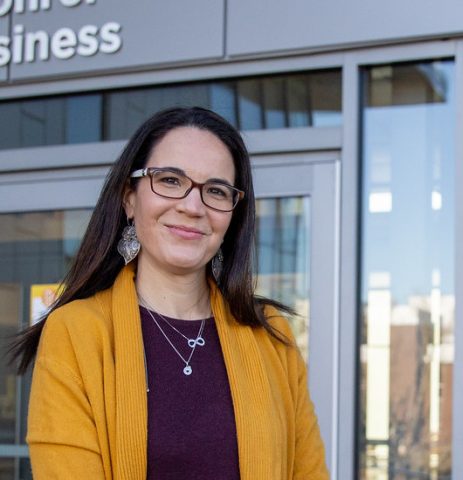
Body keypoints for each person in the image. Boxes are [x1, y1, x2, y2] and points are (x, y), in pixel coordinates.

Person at [10, 106, 329, 479]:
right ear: (130, 198)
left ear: (233, 215)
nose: (193, 206)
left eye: (216, 190)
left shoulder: (271, 334)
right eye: (170, 181)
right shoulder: (75, 332)